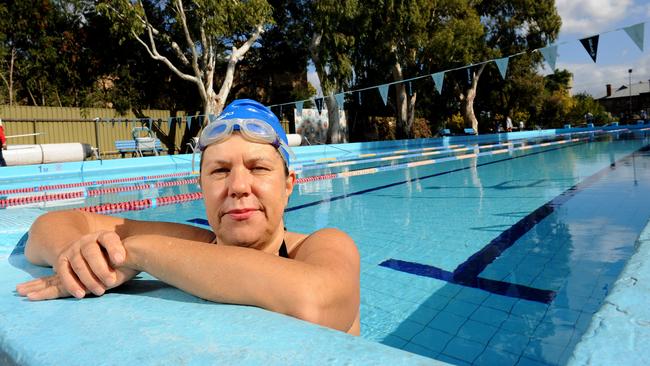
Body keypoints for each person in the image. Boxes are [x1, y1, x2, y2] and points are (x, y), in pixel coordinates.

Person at [16, 99, 361, 335]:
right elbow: (49, 226)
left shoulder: (323, 246)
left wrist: (138, 251)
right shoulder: (194, 244)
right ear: (201, 187)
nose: (238, 186)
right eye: (220, 171)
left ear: (288, 186)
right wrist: (83, 261)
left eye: (258, 168)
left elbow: (316, 302)